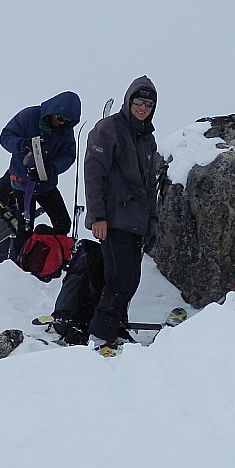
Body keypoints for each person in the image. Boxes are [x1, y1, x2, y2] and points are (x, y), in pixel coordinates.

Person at [83, 75, 159, 353]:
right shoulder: (109, 129)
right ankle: (100, 335)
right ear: (128, 101)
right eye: (138, 101)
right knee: (121, 279)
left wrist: (152, 221)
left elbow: (151, 185)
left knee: (128, 279)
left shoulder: (148, 140)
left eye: (148, 103)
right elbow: (93, 173)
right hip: (114, 219)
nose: (143, 107)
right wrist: (97, 216)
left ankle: (115, 328)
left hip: (136, 223)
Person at [0, 91, 81, 259]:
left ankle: (45, 256)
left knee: (63, 223)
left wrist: (51, 168)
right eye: (59, 117)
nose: (61, 123)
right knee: (24, 228)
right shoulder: (29, 116)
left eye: (66, 121)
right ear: (52, 111)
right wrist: (22, 144)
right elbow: (5, 137)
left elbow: (69, 156)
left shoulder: (65, 131)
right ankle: (16, 265)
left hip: (46, 184)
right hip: (22, 184)